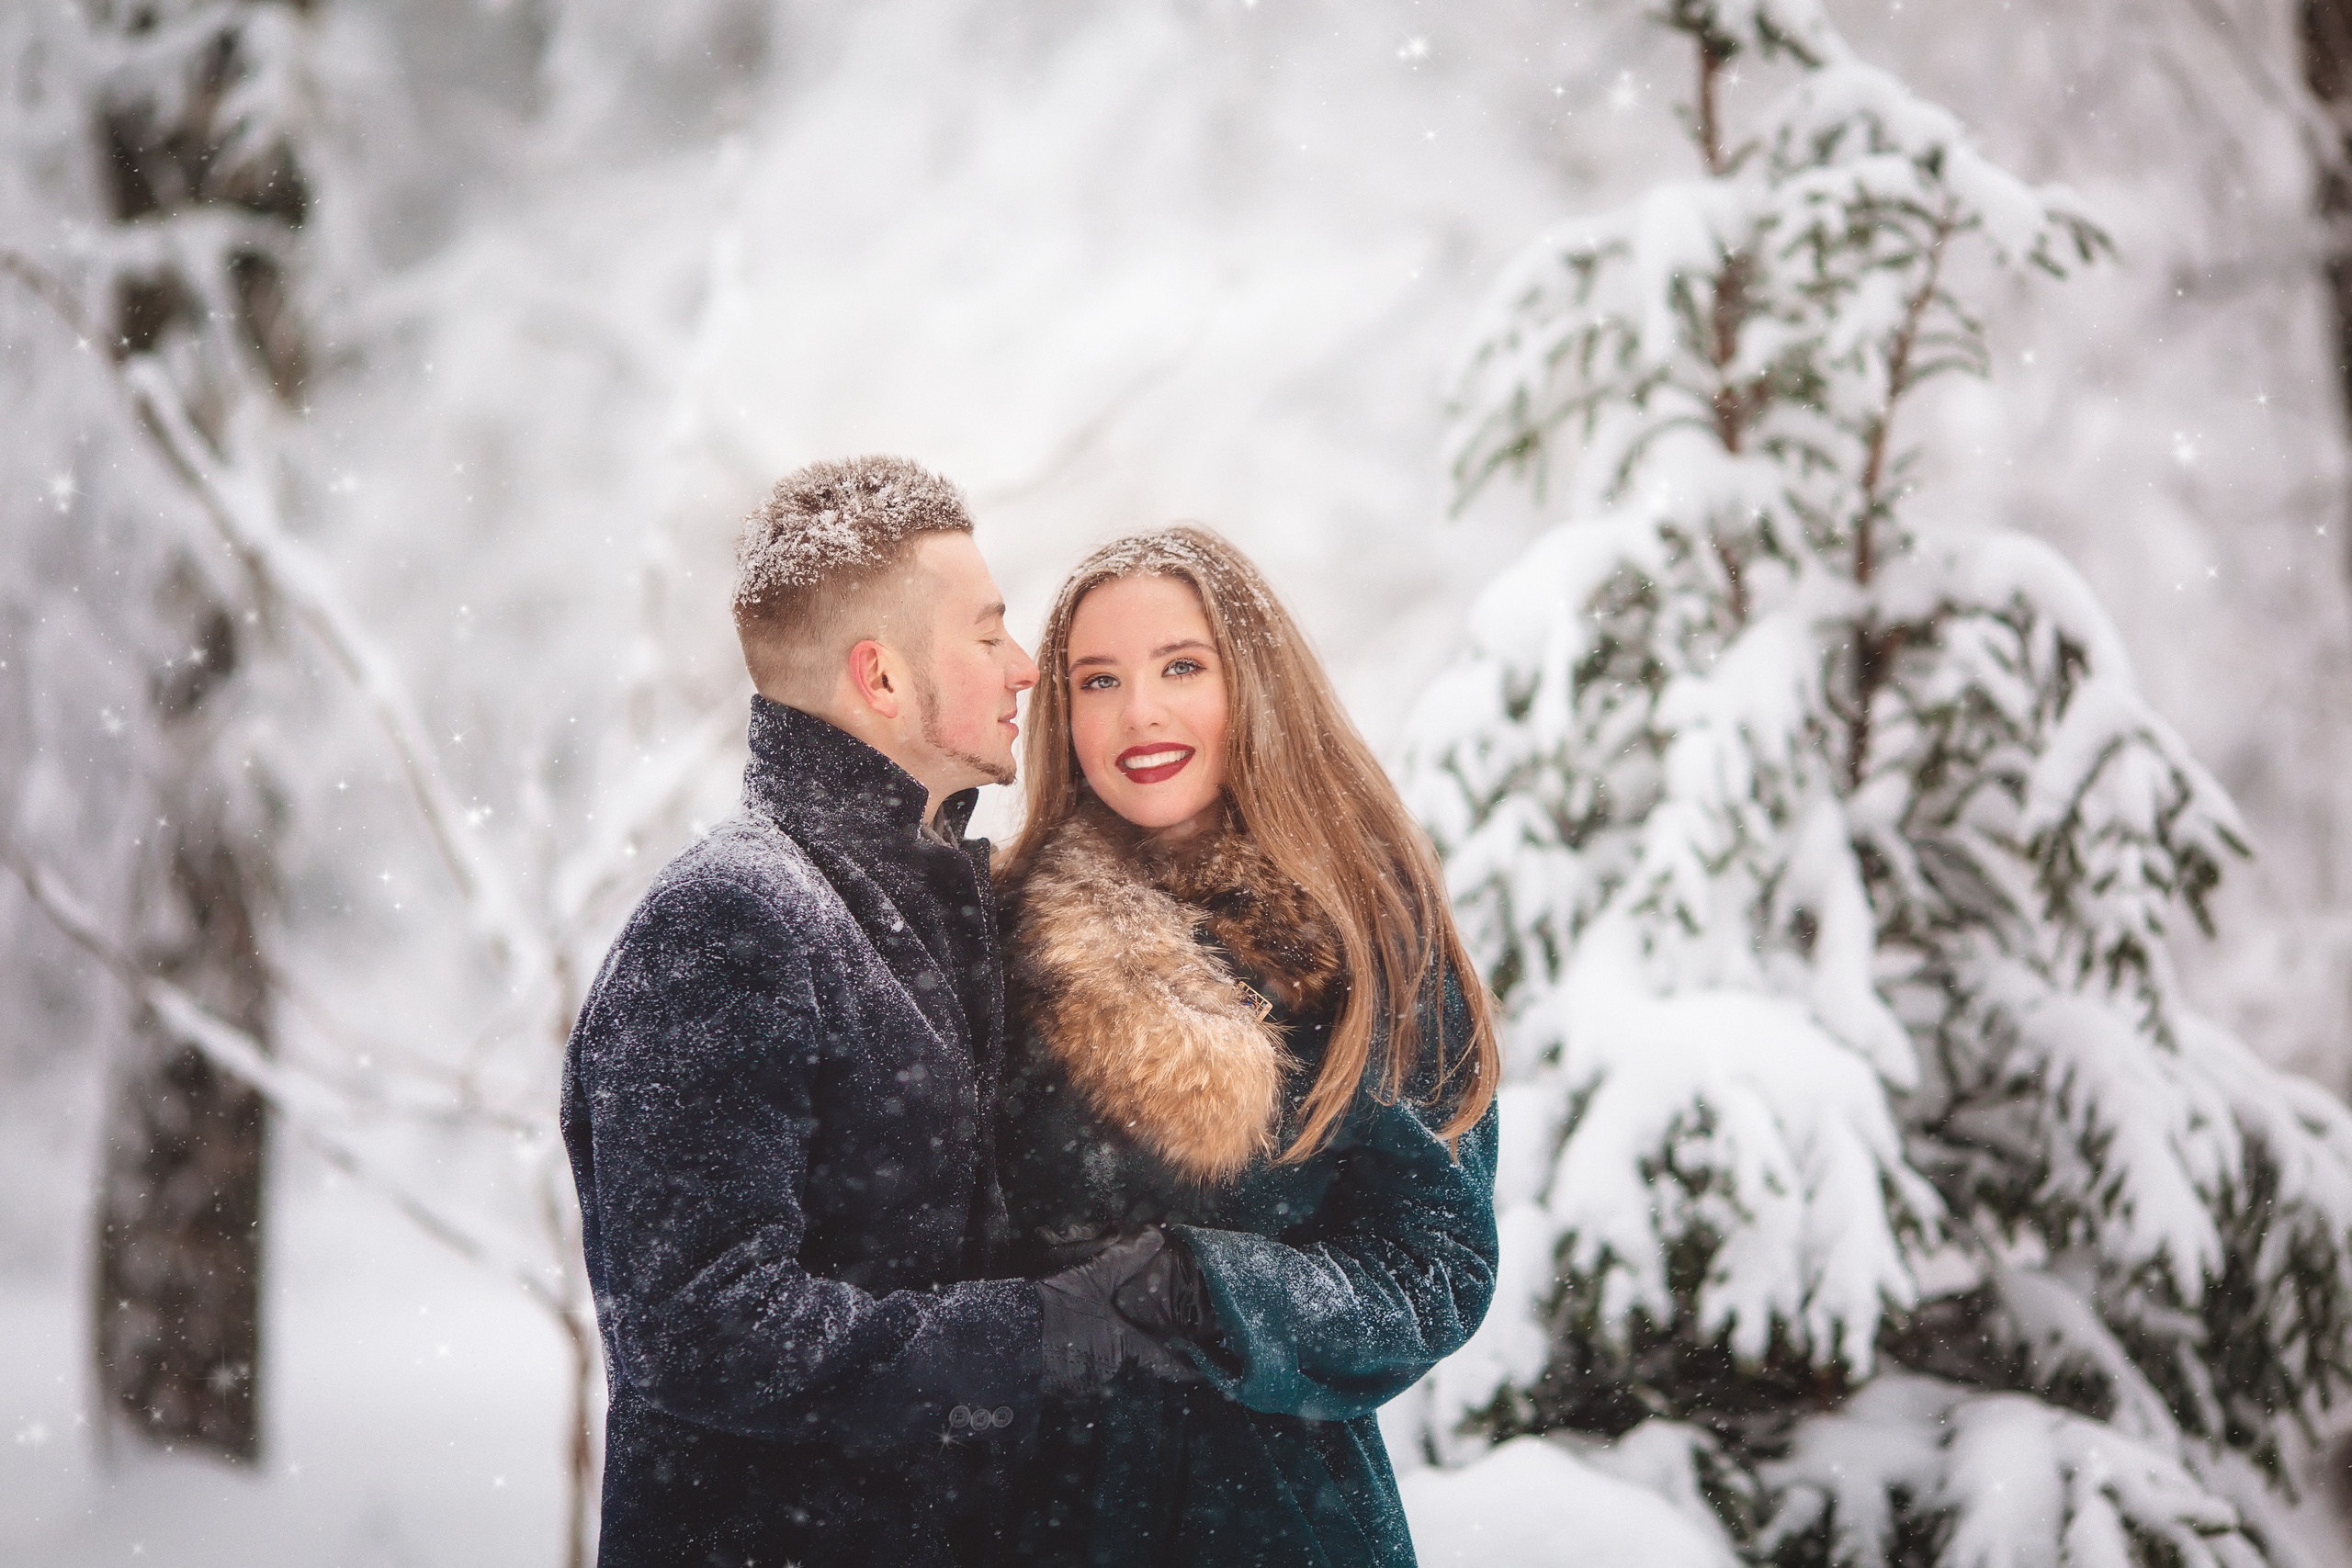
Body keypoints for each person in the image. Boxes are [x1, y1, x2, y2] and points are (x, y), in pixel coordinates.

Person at [560, 457, 1192, 1568]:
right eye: (989, 633)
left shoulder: (942, 911)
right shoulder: (730, 922)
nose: (1027, 667)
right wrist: (1044, 1331)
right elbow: (702, 1329)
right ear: (883, 680)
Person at [990, 525, 1504, 1566]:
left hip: (1276, 1515)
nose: (1140, 713)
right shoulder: (995, 932)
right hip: (1028, 1514)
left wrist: (1211, 1292)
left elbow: (1435, 1266)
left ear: (1255, 684)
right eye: (1098, 680)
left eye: (1181, 667)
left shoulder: (1371, 928)